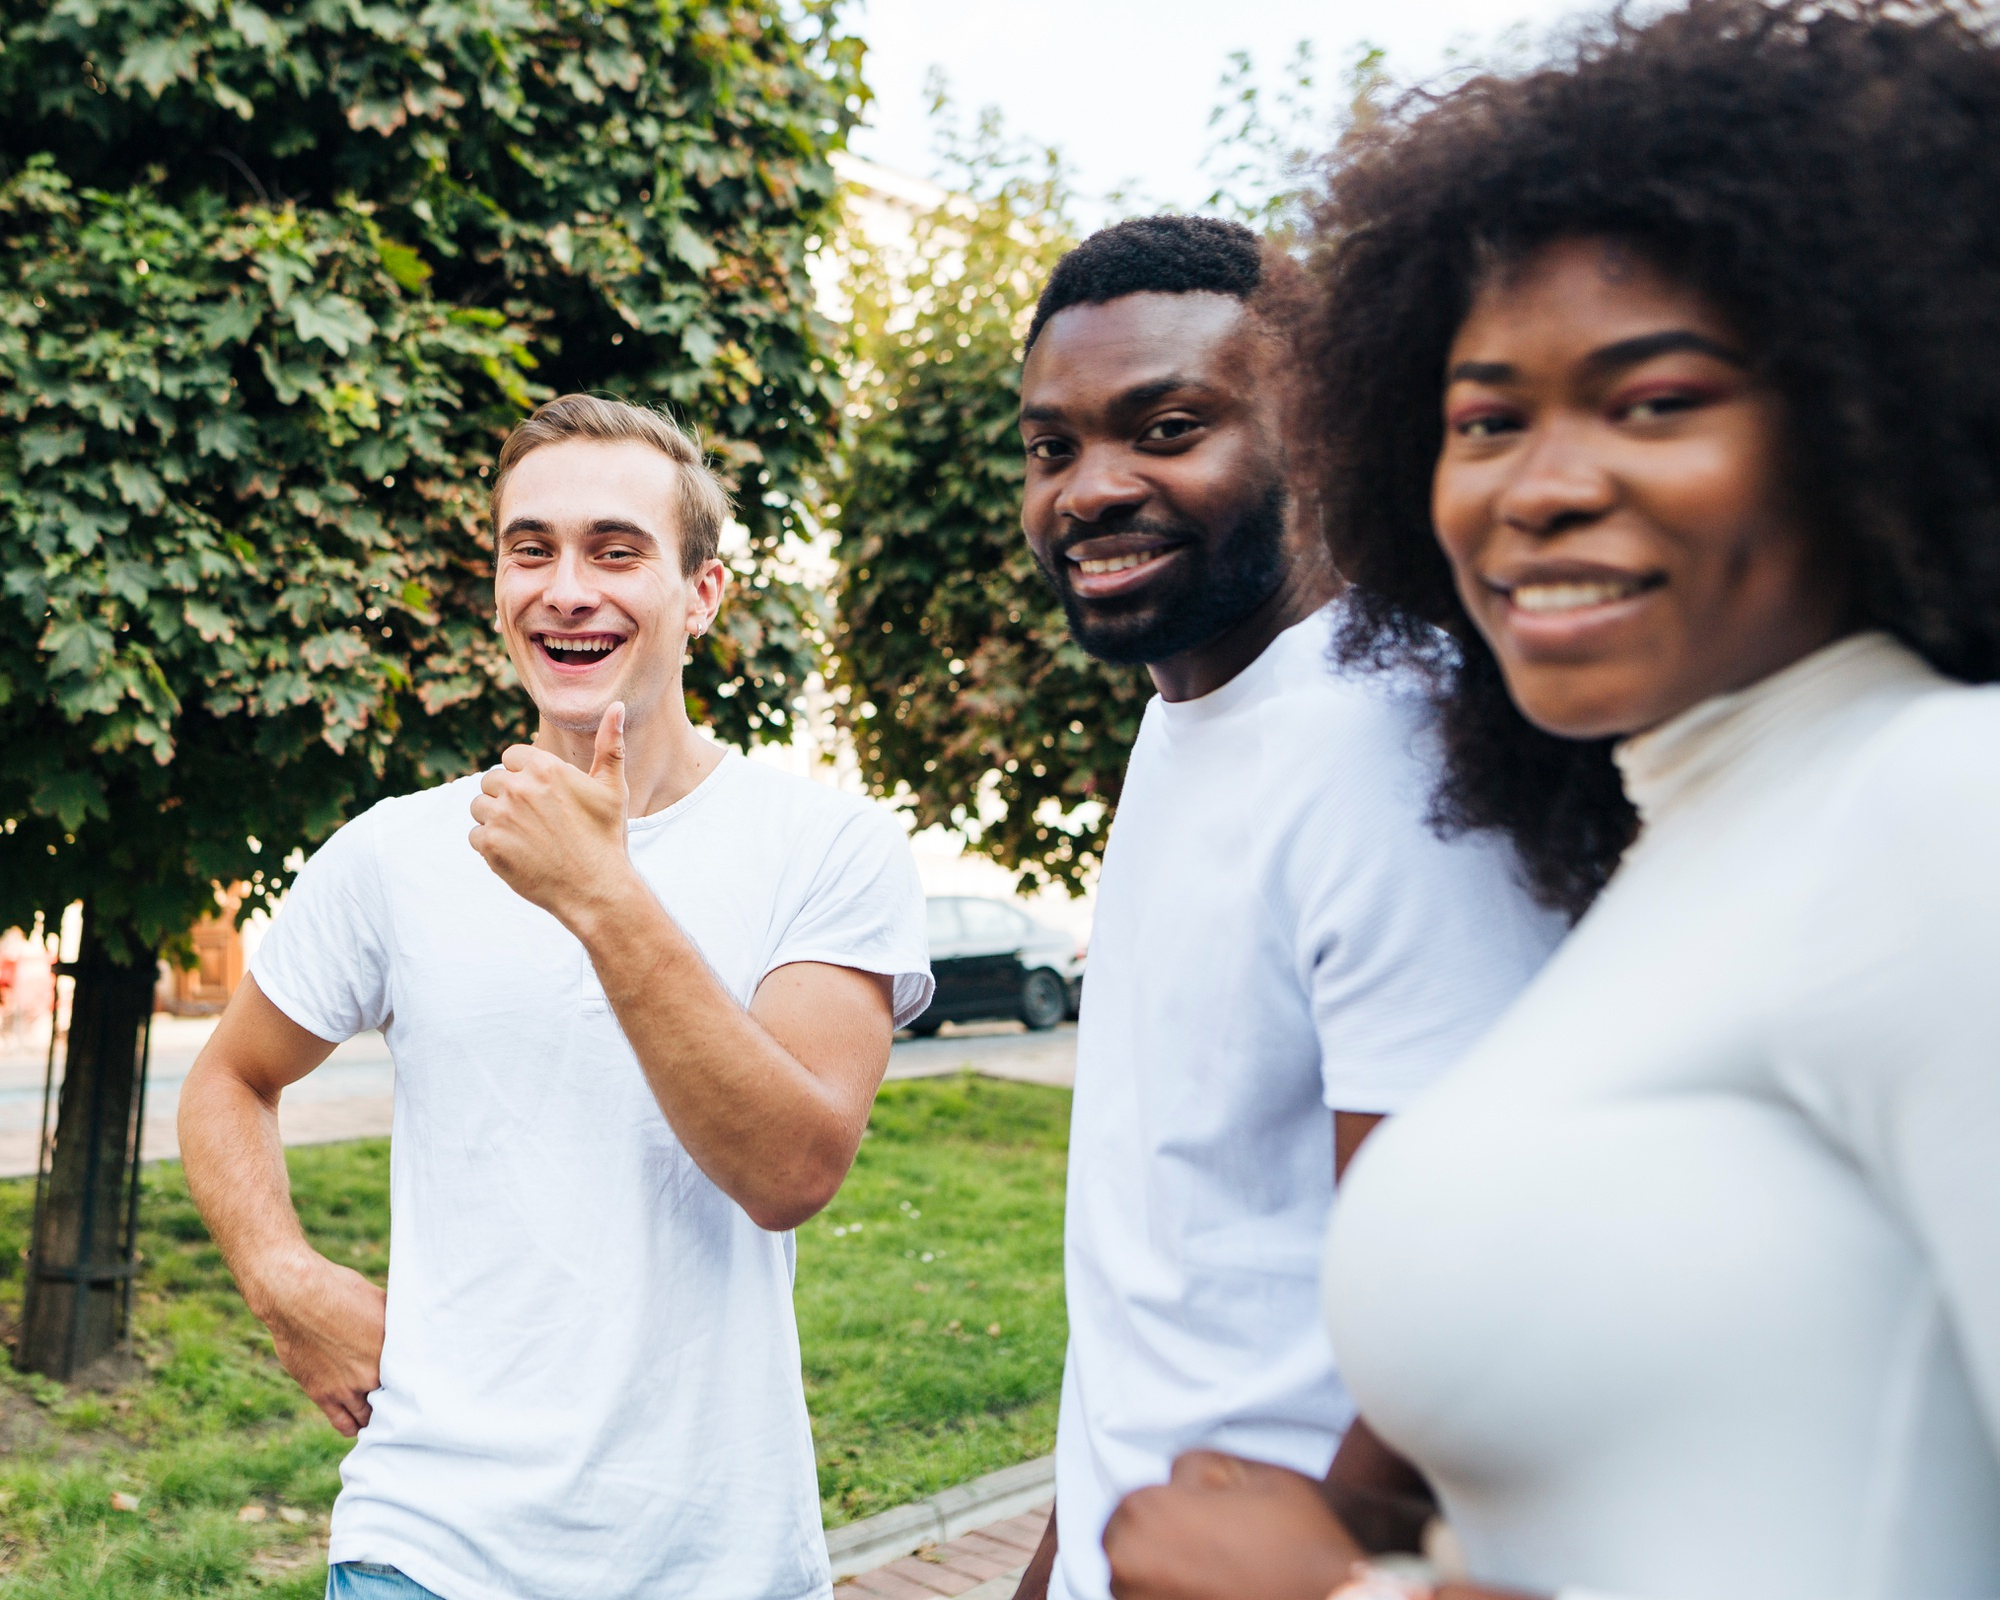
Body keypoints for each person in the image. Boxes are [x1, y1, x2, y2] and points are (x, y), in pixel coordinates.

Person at [1100, 5, 2000, 1598]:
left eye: (1654, 402)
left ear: (1876, 408)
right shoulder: (1678, 861)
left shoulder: (1940, 806)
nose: (1543, 485)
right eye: (1486, 420)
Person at [178, 395, 932, 1600]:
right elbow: (231, 1075)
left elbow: (791, 1166)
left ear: (702, 596)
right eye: (530, 549)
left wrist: (600, 893)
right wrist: (282, 1278)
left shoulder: (824, 845)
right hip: (424, 1549)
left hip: (714, 1556)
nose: (565, 587)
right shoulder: (395, 851)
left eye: (616, 551)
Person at [1008, 215, 1565, 1600]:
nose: (1090, 488)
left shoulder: (1391, 744)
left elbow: (1472, 1293)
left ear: (1314, 435)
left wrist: (1324, 1565)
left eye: (1168, 426)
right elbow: (1165, 1266)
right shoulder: (1189, 715)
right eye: (1052, 445)